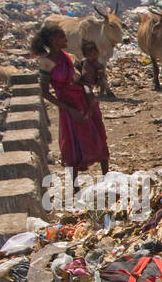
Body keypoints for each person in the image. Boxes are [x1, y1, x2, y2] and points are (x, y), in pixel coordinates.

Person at [30, 23, 109, 176]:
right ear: (53, 40)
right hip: (68, 106)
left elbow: (81, 80)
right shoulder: (46, 63)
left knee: (97, 135)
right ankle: (74, 186)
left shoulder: (69, 57)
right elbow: (45, 92)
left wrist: (91, 90)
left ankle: (107, 177)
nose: (66, 39)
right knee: (73, 143)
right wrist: (69, 109)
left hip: (84, 101)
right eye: (62, 37)